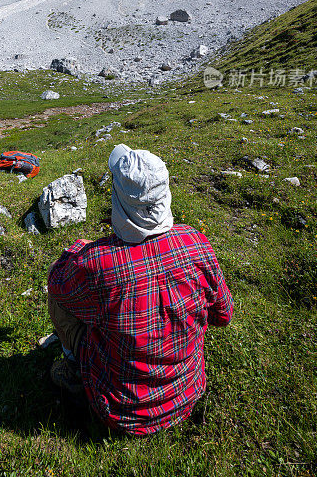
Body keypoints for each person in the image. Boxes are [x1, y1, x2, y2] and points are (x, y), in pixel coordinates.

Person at [47, 143, 234, 436]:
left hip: (119, 410)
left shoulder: (97, 262)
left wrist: (76, 252)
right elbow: (223, 316)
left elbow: (57, 284)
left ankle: (73, 365)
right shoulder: (196, 243)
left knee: (61, 293)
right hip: (187, 393)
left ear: (118, 202)